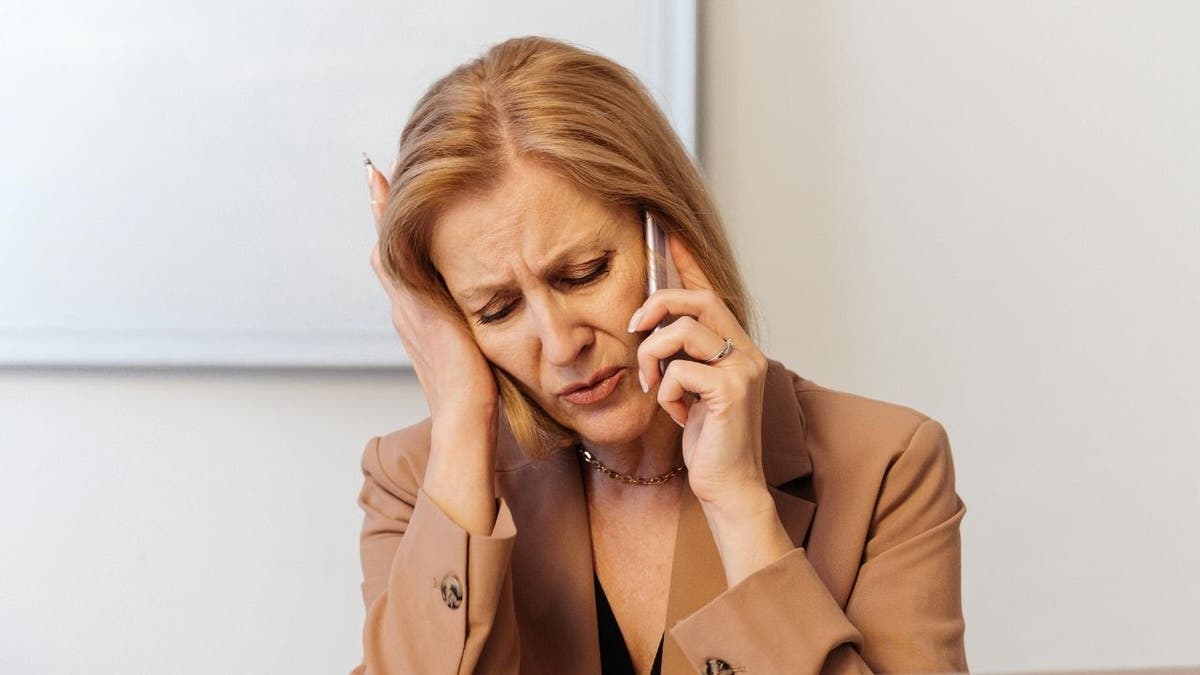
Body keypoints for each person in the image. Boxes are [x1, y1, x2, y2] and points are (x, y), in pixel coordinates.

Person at [352, 36, 967, 675]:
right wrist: (459, 420)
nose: (563, 346)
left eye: (584, 272)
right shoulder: (417, 480)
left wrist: (740, 505)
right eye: (497, 310)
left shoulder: (888, 466)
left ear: (667, 237)